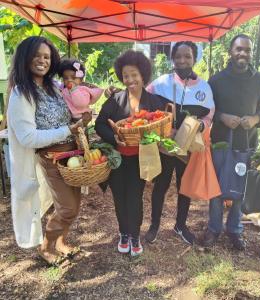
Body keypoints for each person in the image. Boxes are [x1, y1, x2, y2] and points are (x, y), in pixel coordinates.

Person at [7, 36, 83, 265]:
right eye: (37, 56)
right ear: (25, 58)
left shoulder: (52, 86)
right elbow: (28, 137)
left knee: (74, 204)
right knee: (67, 207)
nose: (42, 60)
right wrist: (66, 130)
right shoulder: (22, 93)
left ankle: (60, 241)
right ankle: (47, 246)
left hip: (73, 154)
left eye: (47, 57)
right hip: (52, 157)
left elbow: (72, 104)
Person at [203, 34, 260, 250]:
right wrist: (222, 116)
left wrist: (255, 119)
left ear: (251, 53)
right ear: (231, 52)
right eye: (239, 49)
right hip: (221, 142)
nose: (243, 53)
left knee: (241, 188)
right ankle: (214, 228)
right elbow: (207, 110)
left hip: (247, 142)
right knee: (217, 187)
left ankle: (235, 229)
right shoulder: (216, 80)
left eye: (247, 50)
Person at [145, 41, 215, 245]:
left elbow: (210, 114)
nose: (182, 60)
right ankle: (154, 226)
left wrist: (200, 126)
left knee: (184, 186)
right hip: (165, 146)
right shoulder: (161, 83)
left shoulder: (204, 87)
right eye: (178, 56)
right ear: (172, 58)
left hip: (188, 147)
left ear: (195, 59)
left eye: (187, 56)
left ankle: (180, 225)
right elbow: (144, 100)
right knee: (161, 185)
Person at [95, 50, 163, 257]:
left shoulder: (154, 101)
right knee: (119, 197)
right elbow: (99, 123)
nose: (130, 79)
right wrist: (112, 138)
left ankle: (134, 235)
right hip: (117, 160)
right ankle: (123, 233)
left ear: (143, 75)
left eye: (134, 74)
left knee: (135, 197)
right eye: (126, 75)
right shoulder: (115, 99)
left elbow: (165, 122)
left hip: (140, 160)